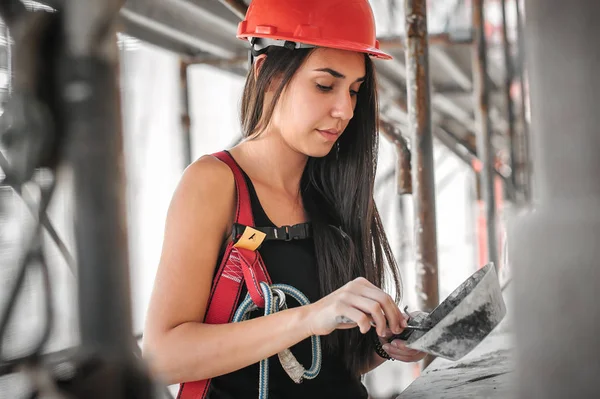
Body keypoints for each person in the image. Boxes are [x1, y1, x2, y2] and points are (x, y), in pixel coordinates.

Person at [142, 0, 426, 397]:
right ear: (268, 74)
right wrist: (310, 317)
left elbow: (320, 363)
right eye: (325, 85)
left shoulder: (333, 192)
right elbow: (162, 357)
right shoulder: (214, 184)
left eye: (355, 90)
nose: (344, 109)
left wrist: (383, 344)